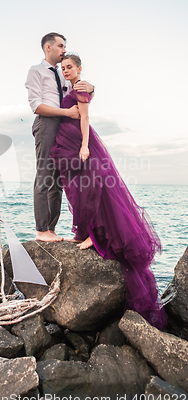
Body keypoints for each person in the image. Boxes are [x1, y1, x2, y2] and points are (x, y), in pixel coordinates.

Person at [50, 53, 167, 329]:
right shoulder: (75, 86)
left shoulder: (80, 88)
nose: (66, 70)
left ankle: (93, 236)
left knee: (90, 190)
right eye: (63, 67)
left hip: (80, 142)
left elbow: (85, 118)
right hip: (67, 143)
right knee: (74, 189)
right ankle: (85, 232)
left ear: (79, 68)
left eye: (70, 67)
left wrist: (84, 146)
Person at [25, 33, 94, 242]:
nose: (64, 50)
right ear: (48, 47)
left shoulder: (64, 72)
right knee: (44, 175)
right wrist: (67, 113)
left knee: (57, 181)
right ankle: (41, 229)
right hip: (46, 124)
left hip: (64, 129)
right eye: (61, 46)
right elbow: (36, 106)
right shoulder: (35, 71)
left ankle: (51, 229)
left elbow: (80, 91)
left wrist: (92, 88)